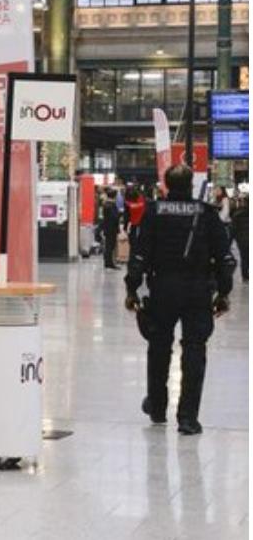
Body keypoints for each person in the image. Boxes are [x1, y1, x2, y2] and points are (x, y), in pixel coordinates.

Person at [125, 164, 235, 436]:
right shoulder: (207, 214)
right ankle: (187, 418)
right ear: (191, 184)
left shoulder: (154, 211)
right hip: (198, 290)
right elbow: (224, 257)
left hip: (163, 288)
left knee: (159, 345)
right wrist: (223, 292)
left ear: (166, 184)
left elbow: (139, 254)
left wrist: (132, 288)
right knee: (195, 349)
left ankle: (158, 406)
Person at [102, 189, 121, 269]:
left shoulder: (105, 204)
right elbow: (114, 217)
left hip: (107, 228)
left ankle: (107, 262)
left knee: (108, 246)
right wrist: (120, 214)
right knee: (111, 246)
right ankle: (110, 263)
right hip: (112, 229)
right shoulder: (112, 205)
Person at [232, 194, 249, 283]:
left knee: (244, 257)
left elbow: (233, 229)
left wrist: (231, 240)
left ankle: (245, 276)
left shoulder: (237, 214)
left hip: (242, 239)